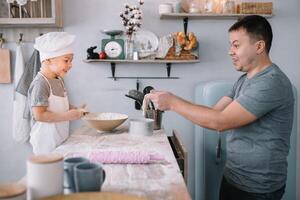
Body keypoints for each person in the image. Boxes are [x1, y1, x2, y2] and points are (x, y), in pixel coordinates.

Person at [145, 15, 294, 200]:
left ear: (259, 46)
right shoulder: (244, 80)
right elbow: (215, 113)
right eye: (230, 45)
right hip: (234, 178)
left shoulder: (271, 83)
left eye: (236, 45)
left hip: (259, 189)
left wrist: (173, 103)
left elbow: (220, 122)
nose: (230, 51)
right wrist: (169, 99)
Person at [27, 32, 87, 155]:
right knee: (49, 172)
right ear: (48, 60)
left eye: (71, 61)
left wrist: (75, 110)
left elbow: (59, 104)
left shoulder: (58, 80)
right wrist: (69, 116)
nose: (70, 65)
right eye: (66, 60)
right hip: (45, 142)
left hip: (60, 138)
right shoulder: (40, 83)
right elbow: (40, 115)